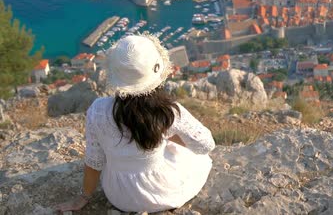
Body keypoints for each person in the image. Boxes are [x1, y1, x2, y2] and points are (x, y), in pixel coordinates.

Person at [54, 34, 215, 213]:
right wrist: (168, 134)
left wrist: (84, 197)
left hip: (119, 196)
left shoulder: (98, 110)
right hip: (162, 192)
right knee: (194, 158)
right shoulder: (166, 112)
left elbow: (95, 161)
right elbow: (205, 145)